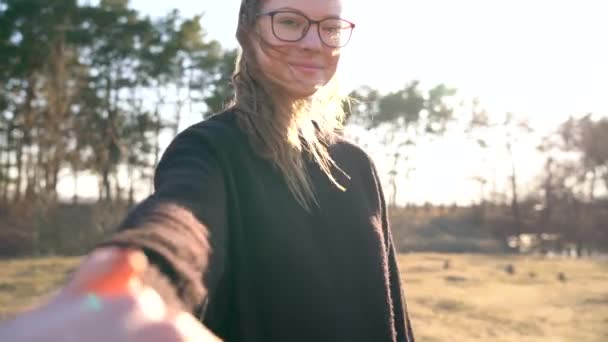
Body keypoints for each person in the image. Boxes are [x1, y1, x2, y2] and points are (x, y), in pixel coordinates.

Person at [0, 0, 415, 341]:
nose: (313, 42)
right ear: (249, 30)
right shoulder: (211, 148)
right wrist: (140, 280)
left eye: (330, 27)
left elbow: (391, 302)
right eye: (289, 22)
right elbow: (182, 218)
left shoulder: (357, 165)